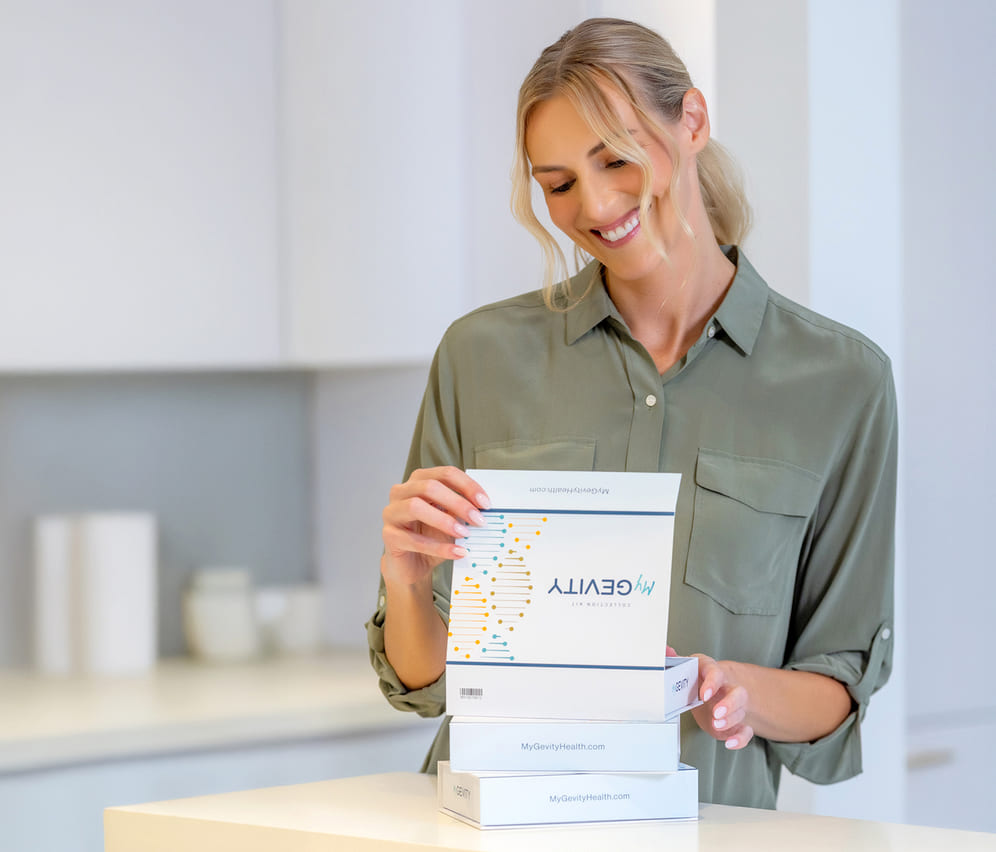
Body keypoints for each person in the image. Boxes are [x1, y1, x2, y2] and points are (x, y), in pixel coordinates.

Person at [366, 17, 896, 809]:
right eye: (558, 182)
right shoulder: (479, 357)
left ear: (692, 122)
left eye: (616, 158)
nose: (597, 204)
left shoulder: (842, 382)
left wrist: (739, 689)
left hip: (705, 827)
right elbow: (426, 681)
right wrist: (405, 583)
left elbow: (839, 680)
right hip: (488, 826)